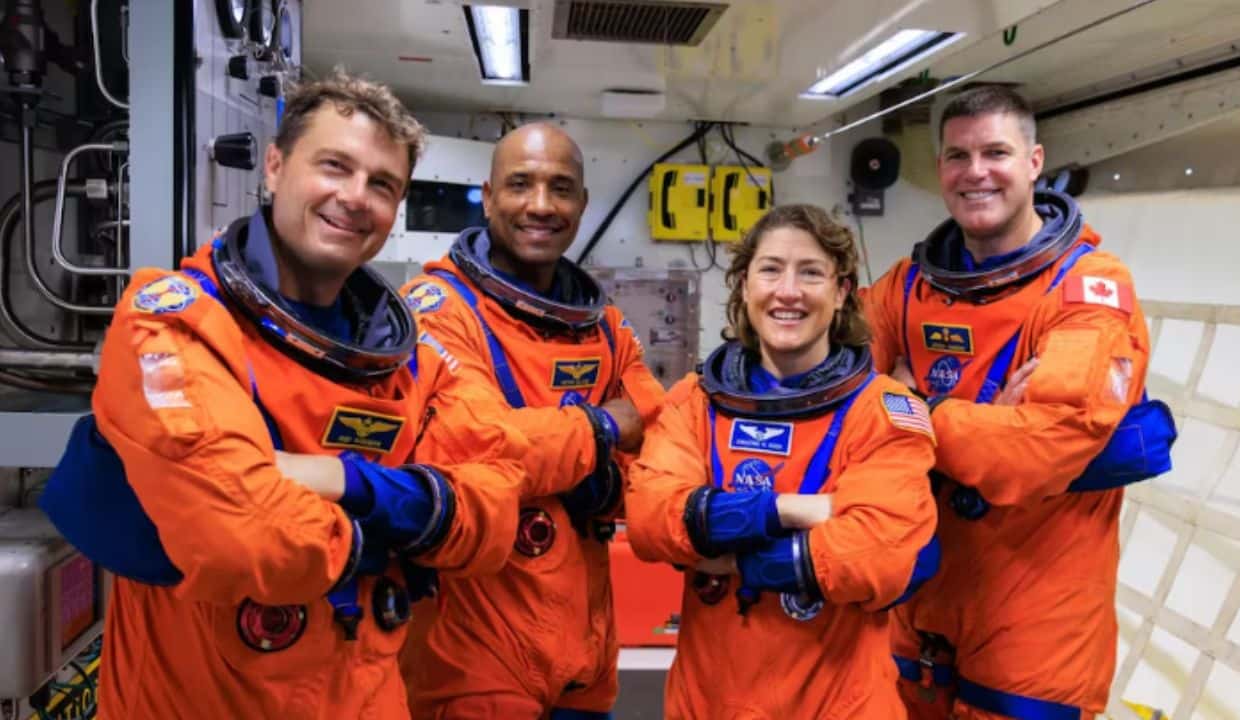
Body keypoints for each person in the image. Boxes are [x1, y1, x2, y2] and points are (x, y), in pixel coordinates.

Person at [38, 72, 526, 719]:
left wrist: (345, 482)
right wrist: (400, 527)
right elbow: (243, 535)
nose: (355, 197)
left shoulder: (411, 359)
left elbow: (494, 510)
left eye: (382, 184)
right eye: (334, 166)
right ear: (274, 166)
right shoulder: (175, 321)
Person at [861, 85, 1172, 719]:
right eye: (957, 156)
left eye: (995, 152)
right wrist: (990, 422)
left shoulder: (1088, 289)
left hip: (1037, 620)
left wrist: (915, 407)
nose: (975, 172)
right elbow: (836, 410)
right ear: (940, 169)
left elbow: (1039, 449)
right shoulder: (905, 288)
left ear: (1034, 162)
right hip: (915, 603)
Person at [625, 204, 939, 719]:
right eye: (770, 269)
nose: (788, 291)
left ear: (841, 292)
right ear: (745, 285)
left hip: (837, 705)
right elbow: (650, 519)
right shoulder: (695, 402)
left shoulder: (882, 411)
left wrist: (734, 559)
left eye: (810, 272)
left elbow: (877, 555)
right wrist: (792, 510)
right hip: (709, 702)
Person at [396, 122, 666, 719]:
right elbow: (481, 450)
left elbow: (659, 441)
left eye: (560, 188)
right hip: (473, 658)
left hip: (586, 660)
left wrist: (604, 479)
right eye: (520, 184)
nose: (541, 205)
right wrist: (602, 430)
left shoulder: (604, 327)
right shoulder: (440, 312)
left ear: (582, 204)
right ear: (489, 197)